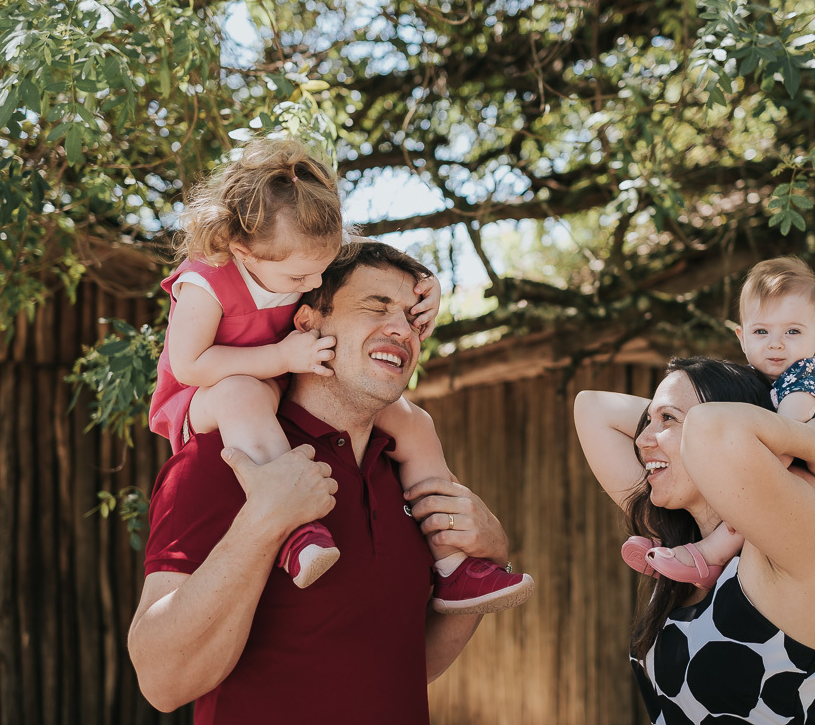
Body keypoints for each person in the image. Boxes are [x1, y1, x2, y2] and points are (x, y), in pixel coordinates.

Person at [130, 240, 532, 722]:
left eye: (414, 319)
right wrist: (263, 523)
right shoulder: (221, 459)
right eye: (376, 307)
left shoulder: (408, 469)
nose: (402, 329)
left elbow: (408, 665)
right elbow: (162, 683)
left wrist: (491, 555)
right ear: (306, 322)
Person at [148, 137, 530, 610]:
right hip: (207, 395)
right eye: (300, 280)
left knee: (412, 420)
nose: (313, 284)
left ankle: (454, 564)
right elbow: (190, 366)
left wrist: (425, 280)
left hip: (283, 369)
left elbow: (365, 263)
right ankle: (293, 529)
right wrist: (283, 357)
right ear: (243, 251)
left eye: (322, 269)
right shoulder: (206, 281)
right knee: (243, 394)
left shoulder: (297, 252)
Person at [574, 357, 815, 723]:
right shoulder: (684, 543)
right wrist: (672, 417)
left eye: (667, 419)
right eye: (647, 421)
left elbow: (712, 426)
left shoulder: (790, 546)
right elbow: (591, 408)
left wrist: (802, 440)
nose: (643, 439)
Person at [622, 257, 815, 588]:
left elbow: (779, 451)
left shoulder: (802, 379)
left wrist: (734, 497)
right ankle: (674, 547)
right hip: (805, 481)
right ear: (741, 337)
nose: (775, 343)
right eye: (761, 331)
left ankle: (708, 554)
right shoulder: (754, 379)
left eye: (793, 331)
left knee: (751, 490)